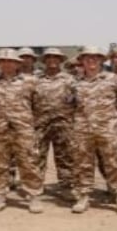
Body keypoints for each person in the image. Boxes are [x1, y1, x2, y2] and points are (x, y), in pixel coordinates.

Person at [69, 46, 117, 214]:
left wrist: (113, 118)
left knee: (115, 163)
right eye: (87, 58)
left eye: (95, 57)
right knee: (83, 164)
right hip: (82, 130)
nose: (91, 60)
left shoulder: (114, 79)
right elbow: (68, 105)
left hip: (108, 130)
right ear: (82, 61)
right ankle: (83, 196)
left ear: (101, 60)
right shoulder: (74, 83)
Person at [0, 49, 44, 213]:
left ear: (17, 64)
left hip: (23, 129)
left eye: (11, 61)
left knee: (29, 162)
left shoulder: (30, 81)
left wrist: (27, 121)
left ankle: (33, 196)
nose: (7, 64)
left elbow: (38, 105)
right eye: (3, 61)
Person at [34, 47, 77, 197]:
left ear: (60, 60)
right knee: (37, 155)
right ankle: (36, 187)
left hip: (63, 124)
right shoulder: (35, 80)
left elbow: (78, 101)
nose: (52, 60)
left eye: (55, 58)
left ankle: (66, 186)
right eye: (49, 57)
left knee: (65, 156)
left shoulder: (70, 80)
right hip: (40, 124)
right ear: (44, 61)